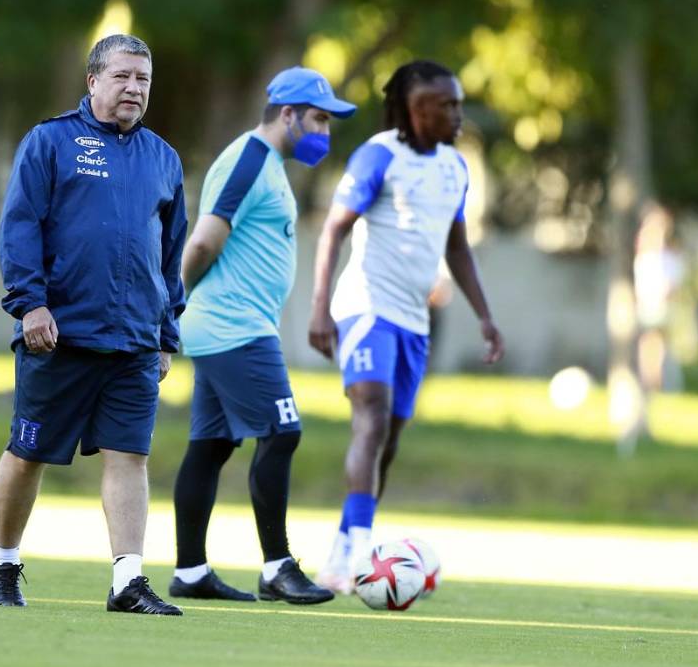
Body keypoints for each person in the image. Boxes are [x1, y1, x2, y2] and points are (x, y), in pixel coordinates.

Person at [0, 33, 188, 615]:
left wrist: (167, 333)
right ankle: (3, 565)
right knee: (28, 454)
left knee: (131, 457)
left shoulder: (163, 159)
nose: (134, 88)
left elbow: (169, 255)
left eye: (143, 79)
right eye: (122, 76)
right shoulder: (50, 142)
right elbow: (19, 226)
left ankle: (128, 581)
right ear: (93, 80)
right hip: (58, 335)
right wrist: (30, 304)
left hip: (134, 341)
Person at [307, 59, 504, 593]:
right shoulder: (379, 155)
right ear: (418, 109)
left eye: (459, 104)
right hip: (366, 307)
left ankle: (351, 543)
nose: (458, 114)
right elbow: (333, 231)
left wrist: (485, 316)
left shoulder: (455, 168)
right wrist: (320, 307)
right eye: (449, 105)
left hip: (415, 321)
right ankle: (346, 557)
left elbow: (457, 246)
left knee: (388, 438)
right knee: (370, 416)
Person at [170, 67, 353, 606]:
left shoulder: (268, 164)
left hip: (234, 324)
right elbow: (203, 243)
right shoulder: (250, 159)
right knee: (283, 431)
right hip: (233, 325)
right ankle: (277, 566)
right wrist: (171, 300)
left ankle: (191, 572)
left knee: (212, 445)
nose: (324, 130)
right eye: (319, 118)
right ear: (289, 114)